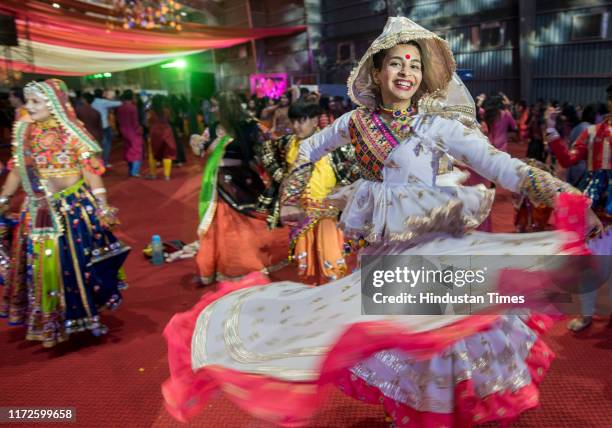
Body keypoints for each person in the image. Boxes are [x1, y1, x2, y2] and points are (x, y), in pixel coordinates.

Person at [163, 17, 601, 427]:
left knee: (439, 334)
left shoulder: (438, 126)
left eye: (414, 64)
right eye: (396, 63)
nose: (406, 72)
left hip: (433, 248)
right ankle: (414, 412)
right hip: (383, 252)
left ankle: (440, 413)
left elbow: (501, 165)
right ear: (376, 72)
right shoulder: (354, 122)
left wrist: (569, 194)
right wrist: (293, 194)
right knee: (393, 335)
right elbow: (307, 148)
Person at [0, 79, 129, 348]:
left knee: (73, 266)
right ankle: (49, 322)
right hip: (36, 210)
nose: (29, 107)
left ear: (54, 104)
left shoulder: (73, 133)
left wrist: (102, 205)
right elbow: (16, 170)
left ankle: (82, 317)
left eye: (36, 102)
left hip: (71, 210)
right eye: (28, 101)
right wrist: (4, 197)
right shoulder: (25, 132)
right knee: (39, 266)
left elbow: (90, 171)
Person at [189, 91, 288, 285]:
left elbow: (270, 146)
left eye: (216, 105)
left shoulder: (250, 126)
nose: (213, 109)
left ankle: (245, 267)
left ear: (227, 107)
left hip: (243, 183)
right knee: (217, 227)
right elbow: (200, 150)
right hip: (219, 188)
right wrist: (197, 142)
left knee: (244, 226)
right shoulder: (212, 129)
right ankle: (214, 269)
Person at [257, 101, 359, 284]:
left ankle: (332, 300)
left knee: (331, 260)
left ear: (314, 120)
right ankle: (313, 297)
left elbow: (356, 165)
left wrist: (344, 188)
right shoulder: (288, 143)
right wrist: (281, 176)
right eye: (293, 121)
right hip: (301, 212)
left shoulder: (332, 141)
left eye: (301, 121)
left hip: (327, 211)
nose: (296, 127)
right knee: (305, 262)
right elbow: (266, 150)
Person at [546, 84, 612, 332]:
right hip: (594, 207)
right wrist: (551, 128)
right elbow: (567, 159)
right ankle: (586, 314)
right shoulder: (593, 133)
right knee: (588, 265)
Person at [147, 95, 177, 180]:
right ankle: (167, 175)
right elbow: (172, 120)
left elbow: (148, 122)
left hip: (155, 133)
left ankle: (153, 174)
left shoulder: (151, 112)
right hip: (167, 133)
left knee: (152, 154)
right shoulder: (167, 111)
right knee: (168, 154)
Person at [116, 90, 144, 178]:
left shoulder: (120, 107)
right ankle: (134, 172)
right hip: (133, 131)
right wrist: (139, 129)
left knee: (128, 151)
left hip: (124, 131)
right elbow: (135, 122)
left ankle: (130, 170)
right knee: (137, 151)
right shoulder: (133, 107)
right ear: (132, 97)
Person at [91, 88, 122, 167]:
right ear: (102, 94)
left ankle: (97, 162)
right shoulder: (103, 102)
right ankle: (105, 162)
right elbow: (119, 103)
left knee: (98, 145)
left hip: (96, 126)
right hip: (104, 126)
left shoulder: (93, 102)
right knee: (106, 145)